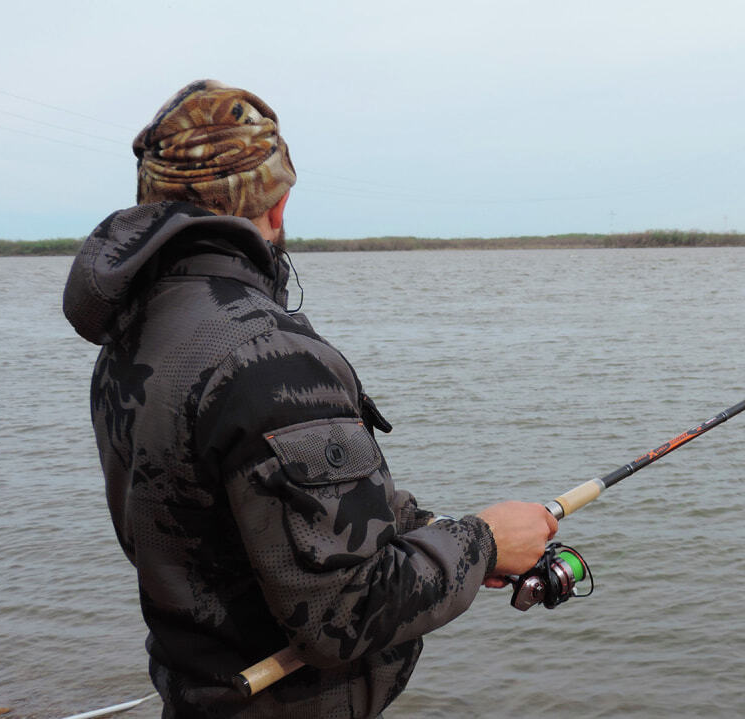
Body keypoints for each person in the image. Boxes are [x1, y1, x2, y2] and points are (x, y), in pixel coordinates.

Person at [62, 79, 558, 719]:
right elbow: (344, 613)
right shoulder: (269, 357)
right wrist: (482, 544)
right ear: (278, 201)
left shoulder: (133, 342)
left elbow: (255, 516)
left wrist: (429, 532)